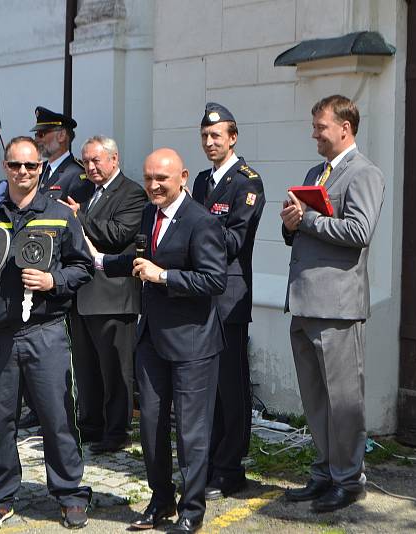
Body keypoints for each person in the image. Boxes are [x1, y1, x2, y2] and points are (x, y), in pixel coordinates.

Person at [91, 148, 227, 533]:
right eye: (148, 178)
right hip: (151, 339)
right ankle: (161, 499)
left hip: (193, 345)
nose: (153, 186)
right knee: (150, 425)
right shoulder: (150, 214)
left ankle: (192, 508)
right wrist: (98, 260)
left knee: (190, 431)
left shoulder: (201, 222)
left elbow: (214, 280)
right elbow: (139, 260)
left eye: (161, 179)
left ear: (182, 177)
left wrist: (164, 276)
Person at [0, 136, 93, 531]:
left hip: (46, 331)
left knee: (57, 416)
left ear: (41, 168)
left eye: (31, 166)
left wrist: (53, 280)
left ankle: (70, 493)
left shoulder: (59, 215)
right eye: (15, 166)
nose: (23, 173)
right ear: (5, 168)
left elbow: (83, 267)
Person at [280, 95, 385, 513]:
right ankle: (324, 472)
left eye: (320, 127)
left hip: (338, 306)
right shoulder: (315, 172)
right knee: (315, 399)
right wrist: (291, 223)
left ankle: (348, 478)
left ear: (345, 127)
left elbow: (359, 231)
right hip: (305, 302)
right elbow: (304, 229)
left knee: (343, 400)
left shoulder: (364, 173)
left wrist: (305, 220)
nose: (314, 134)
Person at [192, 102, 266, 500]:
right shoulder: (202, 180)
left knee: (231, 387)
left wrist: (195, 232)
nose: (208, 142)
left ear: (232, 137)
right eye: (204, 136)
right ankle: (209, 461)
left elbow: (235, 240)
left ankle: (231, 467)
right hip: (201, 293)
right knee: (207, 386)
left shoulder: (247, 182)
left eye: (215, 136)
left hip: (229, 296)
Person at [60, 136, 147, 452]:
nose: (91, 166)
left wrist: (79, 217)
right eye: (86, 161)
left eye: (96, 160)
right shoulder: (82, 192)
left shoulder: (132, 192)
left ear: (114, 158)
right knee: (86, 368)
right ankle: (90, 425)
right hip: (81, 294)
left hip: (113, 295)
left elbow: (120, 234)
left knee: (115, 369)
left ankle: (117, 431)